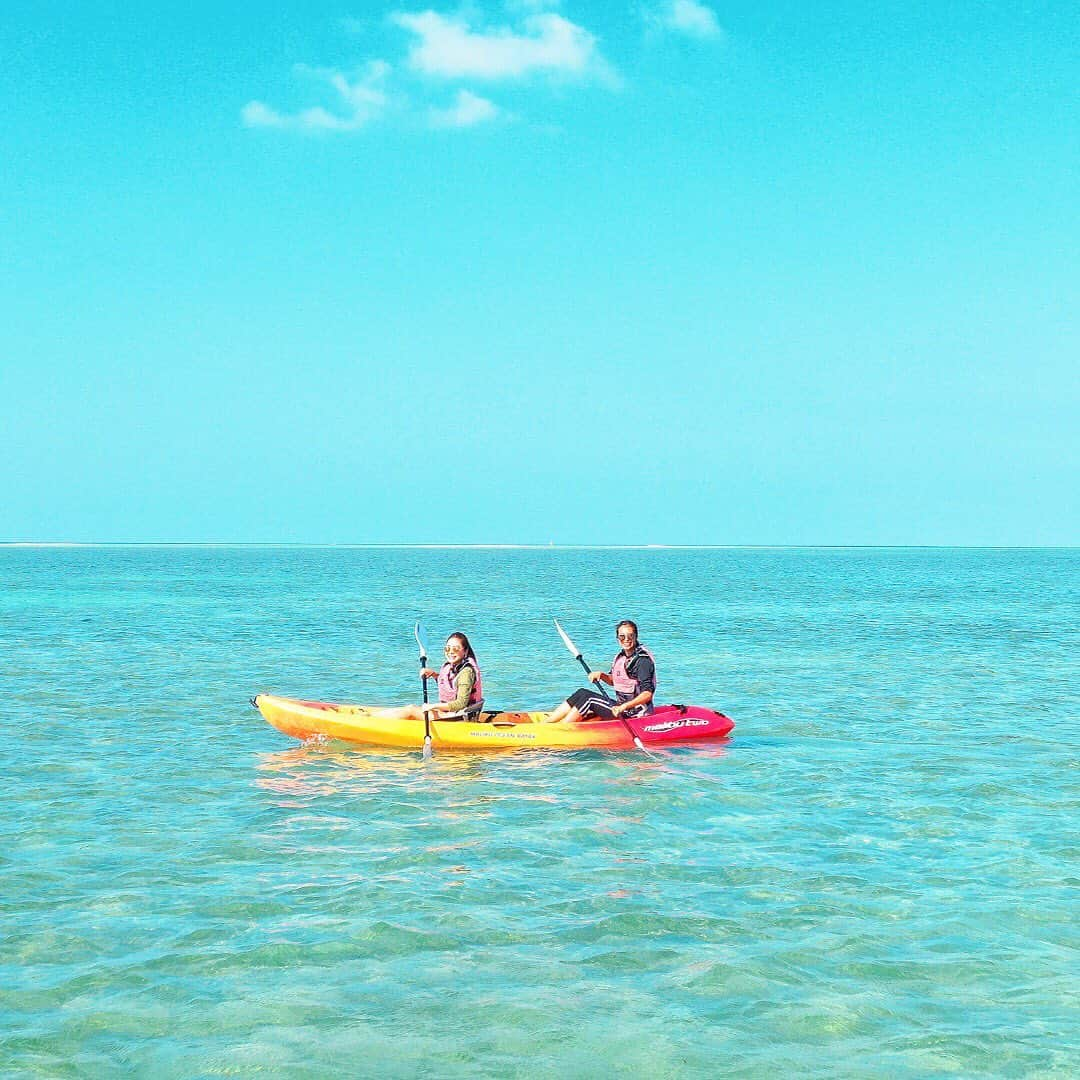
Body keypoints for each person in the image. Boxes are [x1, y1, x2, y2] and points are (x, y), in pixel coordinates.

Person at [545, 620, 655, 724]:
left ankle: (562, 728)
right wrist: (601, 675)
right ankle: (548, 722)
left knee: (589, 699)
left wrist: (623, 707)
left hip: (633, 714)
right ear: (617, 638)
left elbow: (647, 694)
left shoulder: (642, 661)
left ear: (636, 636)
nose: (626, 639)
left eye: (630, 635)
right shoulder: (621, 657)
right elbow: (614, 681)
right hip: (621, 708)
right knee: (582, 693)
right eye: (622, 636)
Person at [372, 632, 483, 722]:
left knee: (411, 710)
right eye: (448, 649)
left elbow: (460, 704)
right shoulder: (455, 667)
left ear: (465, 651)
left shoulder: (466, 672)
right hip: (453, 714)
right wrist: (434, 675)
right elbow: (453, 687)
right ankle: (374, 716)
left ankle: (371, 720)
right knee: (412, 709)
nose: (451, 652)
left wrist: (433, 706)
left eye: (456, 649)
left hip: (459, 718)